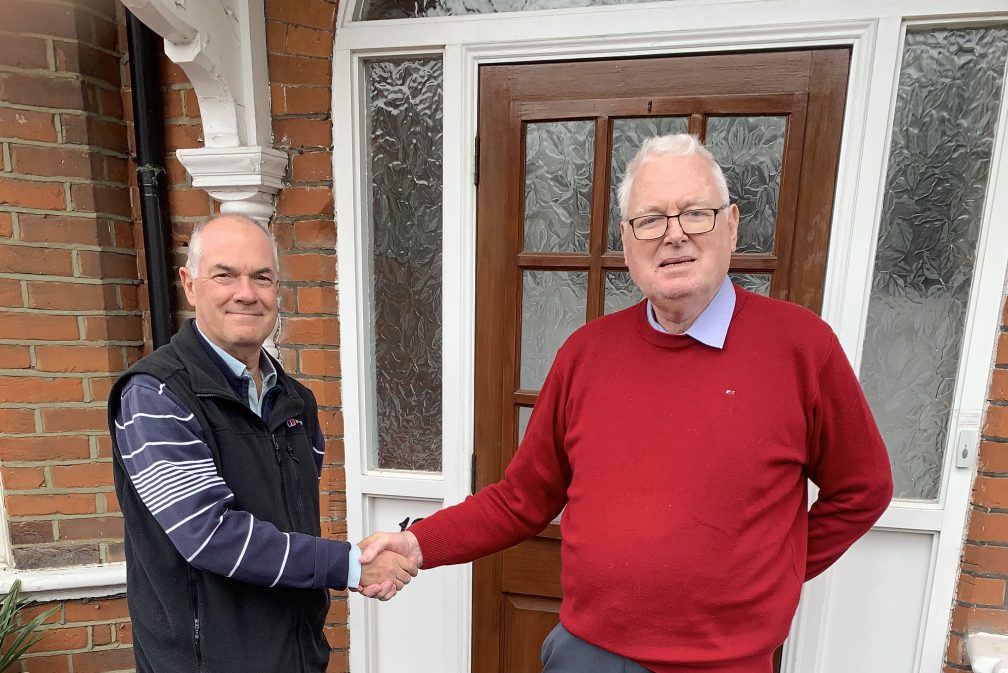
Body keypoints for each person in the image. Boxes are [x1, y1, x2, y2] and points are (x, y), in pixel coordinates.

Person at [359, 134, 894, 673]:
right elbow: (521, 498)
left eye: (695, 213)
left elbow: (863, 489)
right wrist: (418, 544)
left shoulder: (800, 347)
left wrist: (777, 568)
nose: (674, 234)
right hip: (590, 655)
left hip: (725, 664)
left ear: (731, 224)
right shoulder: (586, 354)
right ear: (627, 238)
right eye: (652, 219)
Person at [109, 215, 417, 673]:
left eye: (262, 277)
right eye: (224, 275)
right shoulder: (156, 395)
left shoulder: (296, 402)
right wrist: (351, 564)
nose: (246, 293)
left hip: (295, 655)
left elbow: (292, 522)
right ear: (190, 285)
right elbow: (210, 535)